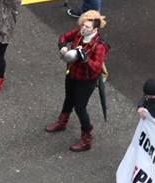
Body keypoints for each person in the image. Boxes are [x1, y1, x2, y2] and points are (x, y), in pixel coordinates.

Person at [46, 9, 109, 152]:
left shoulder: (99, 46)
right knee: (68, 98)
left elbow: (96, 68)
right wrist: (62, 47)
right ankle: (62, 122)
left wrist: (84, 58)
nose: (83, 29)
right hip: (72, 73)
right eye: (83, 25)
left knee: (80, 107)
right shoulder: (80, 33)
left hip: (86, 80)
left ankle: (87, 137)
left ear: (96, 29)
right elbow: (64, 37)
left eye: (87, 27)